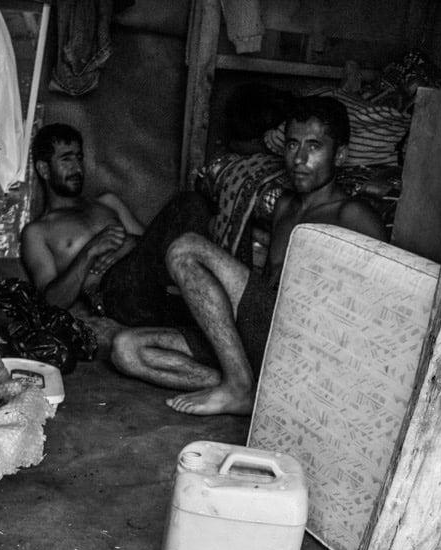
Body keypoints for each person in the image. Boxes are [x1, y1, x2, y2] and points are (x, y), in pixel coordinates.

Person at [110, 96, 388, 416]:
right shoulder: (285, 206)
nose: (299, 158)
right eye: (292, 144)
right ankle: (254, 392)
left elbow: (383, 303)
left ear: (339, 155)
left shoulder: (353, 214)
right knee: (126, 350)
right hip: (260, 339)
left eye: (314, 146)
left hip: (304, 343)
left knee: (185, 247)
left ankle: (238, 386)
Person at [21, 122, 213, 326]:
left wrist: (128, 244)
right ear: (44, 169)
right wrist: (90, 251)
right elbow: (50, 304)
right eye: (66, 159)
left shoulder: (108, 203)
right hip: (113, 295)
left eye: (79, 158)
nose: (77, 167)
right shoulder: (37, 232)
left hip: (152, 285)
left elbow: (156, 247)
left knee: (190, 202)